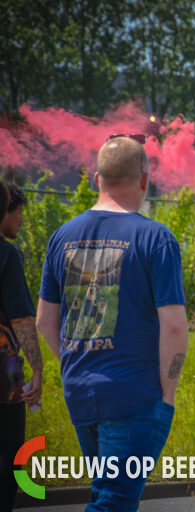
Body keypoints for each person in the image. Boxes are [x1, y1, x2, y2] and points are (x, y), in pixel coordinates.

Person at [36, 135, 188, 512]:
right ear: (144, 179)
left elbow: (44, 321)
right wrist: (168, 395)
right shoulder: (156, 239)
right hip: (134, 396)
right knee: (113, 504)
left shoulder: (61, 237)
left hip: (80, 391)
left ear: (95, 178)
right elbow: (173, 327)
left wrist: (76, 363)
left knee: (106, 491)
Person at [0, 182, 44, 511]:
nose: (21, 219)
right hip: (5, 377)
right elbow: (22, 320)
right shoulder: (7, 255)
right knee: (10, 457)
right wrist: (38, 370)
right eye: (18, 211)